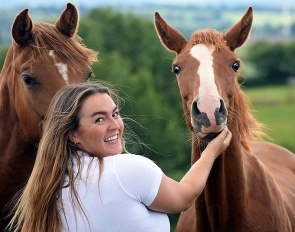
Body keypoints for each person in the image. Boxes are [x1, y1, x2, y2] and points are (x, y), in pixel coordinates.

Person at [8, 82, 232, 232]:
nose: (115, 125)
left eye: (115, 114)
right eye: (99, 119)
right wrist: (210, 152)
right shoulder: (127, 170)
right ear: (73, 134)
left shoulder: (47, 186)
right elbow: (185, 197)